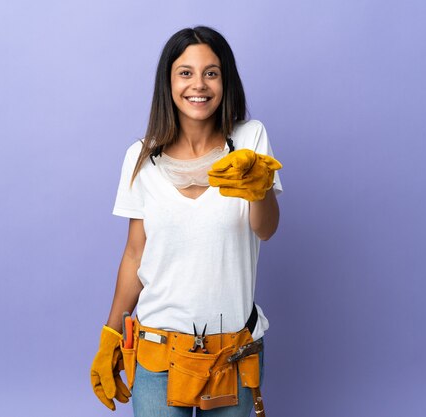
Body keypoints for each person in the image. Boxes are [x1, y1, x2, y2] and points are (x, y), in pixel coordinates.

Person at [90, 26, 283, 417]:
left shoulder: (249, 141)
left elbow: (265, 228)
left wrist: (257, 187)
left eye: (211, 72)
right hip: (158, 349)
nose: (199, 84)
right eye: (186, 72)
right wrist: (111, 331)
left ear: (225, 80)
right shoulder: (140, 157)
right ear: (169, 81)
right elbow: (135, 253)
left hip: (233, 351)